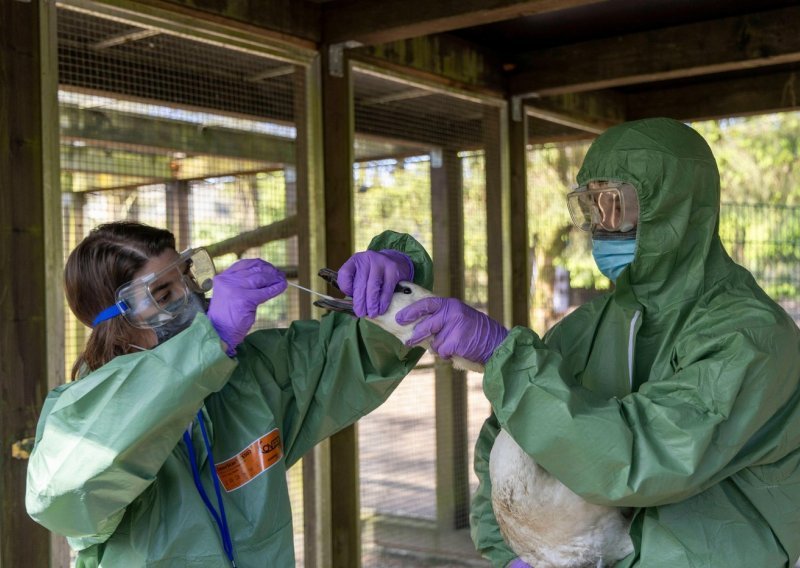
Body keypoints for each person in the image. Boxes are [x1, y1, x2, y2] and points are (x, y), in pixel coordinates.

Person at [396, 117, 800, 567]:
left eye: (614, 202)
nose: (599, 224)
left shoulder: (749, 337)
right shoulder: (581, 329)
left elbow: (643, 458)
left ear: (677, 206)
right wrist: (509, 550)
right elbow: (505, 444)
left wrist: (505, 359)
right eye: (590, 203)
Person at [25, 221, 432, 567]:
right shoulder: (82, 415)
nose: (193, 298)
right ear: (115, 323)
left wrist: (396, 277)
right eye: (164, 295)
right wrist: (207, 346)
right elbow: (62, 495)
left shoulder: (250, 376)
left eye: (186, 277)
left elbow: (360, 353)